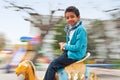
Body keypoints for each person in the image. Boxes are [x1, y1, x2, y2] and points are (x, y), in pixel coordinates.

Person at [43, 6, 87, 80]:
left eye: (72, 17)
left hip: (75, 55)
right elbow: (70, 44)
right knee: (54, 63)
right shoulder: (70, 29)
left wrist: (65, 46)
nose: (70, 19)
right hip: (70, 53)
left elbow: (77, 47)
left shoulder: (81, 30)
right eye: (67, 18)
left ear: (78, 17)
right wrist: (64, 47)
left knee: (53, 65)